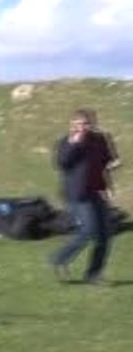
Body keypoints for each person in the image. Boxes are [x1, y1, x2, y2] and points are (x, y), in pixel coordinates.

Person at [50, 108, 117, 284]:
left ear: (92, 123)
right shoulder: (66, 142)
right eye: (78, 124)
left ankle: (93, 274)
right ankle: (59, 260)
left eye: (86, 123)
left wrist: (108, 187)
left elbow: (105, 165)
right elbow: (62, 163)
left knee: (105, 235)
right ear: (72, 125)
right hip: (78, 195)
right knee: (89, 230)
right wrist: (75, 144)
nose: (83, 127)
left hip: (97, 192)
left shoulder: (99, 140)